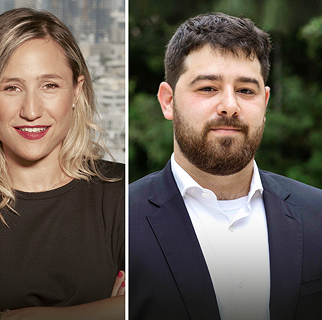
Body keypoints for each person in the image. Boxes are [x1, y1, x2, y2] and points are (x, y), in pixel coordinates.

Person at [0, 7, 125, 320]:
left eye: (50, 85)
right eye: (11, 87)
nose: (31, 110)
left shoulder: (122, 193)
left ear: (76, 91)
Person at [129, 12, 322, 320]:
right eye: (208, 88)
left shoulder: (318, 214)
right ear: (168, 101)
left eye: (246, 90)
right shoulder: (120, 223)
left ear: (265, 102)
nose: (230, 106)